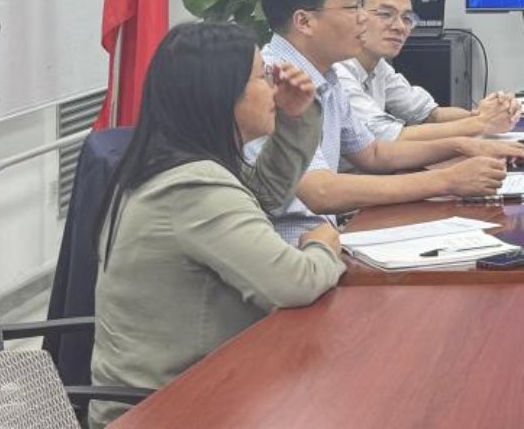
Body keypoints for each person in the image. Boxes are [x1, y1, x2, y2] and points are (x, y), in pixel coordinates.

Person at [89, 22, 344, 427]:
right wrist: (323, 244)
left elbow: (262, 194)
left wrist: (294, 119)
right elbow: (295, 283)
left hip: (194, 389)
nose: (274, 88)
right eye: (262, 76)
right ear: (222, 94)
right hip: (170, 411)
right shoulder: (193, 187)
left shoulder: (174, 160)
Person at [250, 0, 524, 244]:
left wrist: (461, 145)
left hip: (326, 241)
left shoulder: (326, 75)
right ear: (304, 21)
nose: (363, 18)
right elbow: (321, 191)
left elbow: (373, 153)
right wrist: (448, 180)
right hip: (294, 254)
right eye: (353, 7)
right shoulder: (271, 82)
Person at [336, 0, 521, 142]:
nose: (400, 27)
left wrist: (484, 113)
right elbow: (387, 138)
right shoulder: (337, 73)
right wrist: (481, 123)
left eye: (407, 18)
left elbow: (430, 115)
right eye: (385, 14)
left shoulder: (378, 67)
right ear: (354, 13)